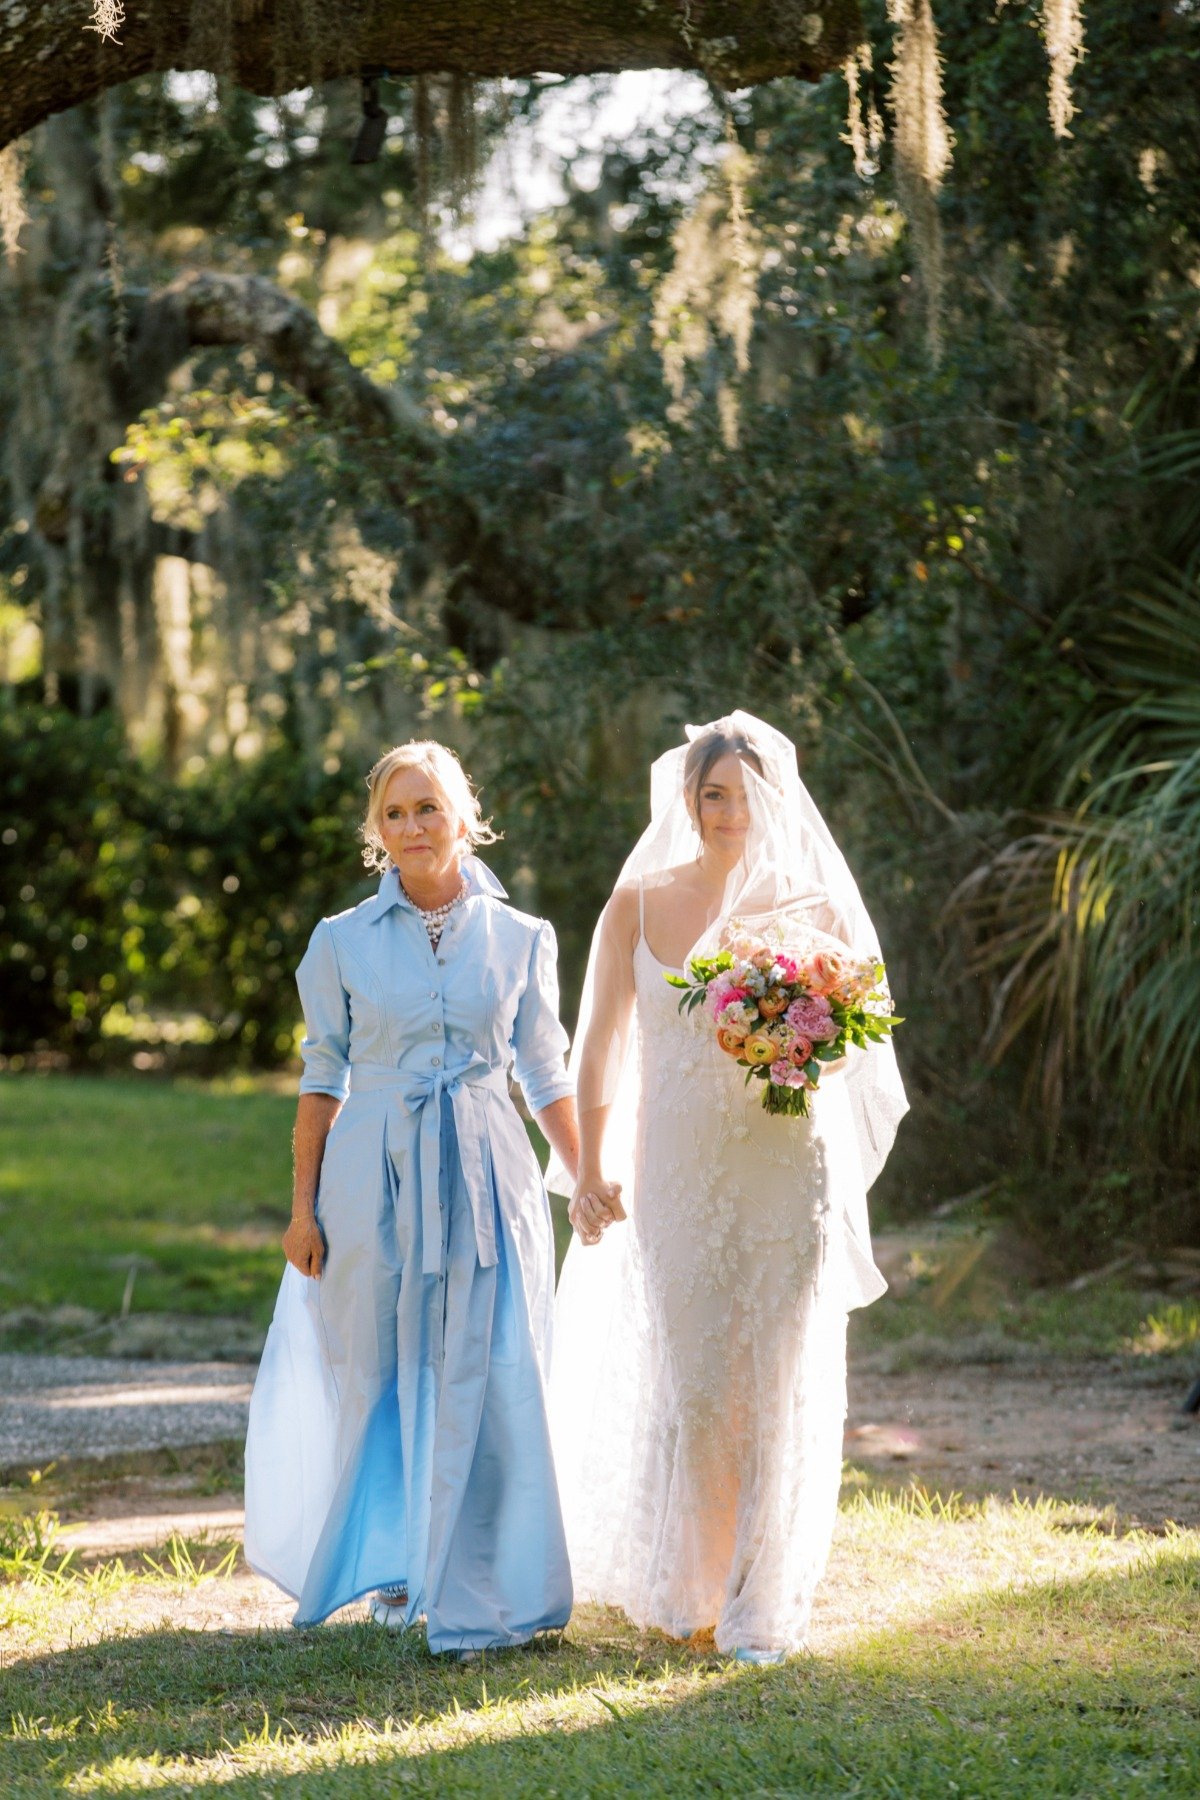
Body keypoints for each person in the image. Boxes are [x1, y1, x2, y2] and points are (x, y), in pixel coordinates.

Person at [548, 711, 907, 1662]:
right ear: (688, 797)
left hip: (788, 1167)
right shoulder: (636, 902)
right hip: (676, 1170)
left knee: (779, 1373)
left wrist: (799, 1045)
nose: (731, 813)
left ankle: (763, 1597)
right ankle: (695, 1588)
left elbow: (854, 1053)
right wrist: (591, 1167)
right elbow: (599, 1049)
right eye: (714, 794)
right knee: (700, 1380)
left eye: (747, 796)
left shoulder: (818, 912)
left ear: (775, 799)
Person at [245, 740, 579, 1657]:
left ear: (464, 815)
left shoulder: (524, 938)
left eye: (428, 807)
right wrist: (303, 1208)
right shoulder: (340, 940)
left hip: (488, 1169)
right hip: (372, 1170)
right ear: (375, 832)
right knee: (380, 1364)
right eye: (395, 813)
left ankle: (488, 1575)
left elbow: (545, 1072)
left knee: (494, 1359)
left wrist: (582, 1174)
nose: (412, 827)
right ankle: (394, 1564)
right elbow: (323, 1078)